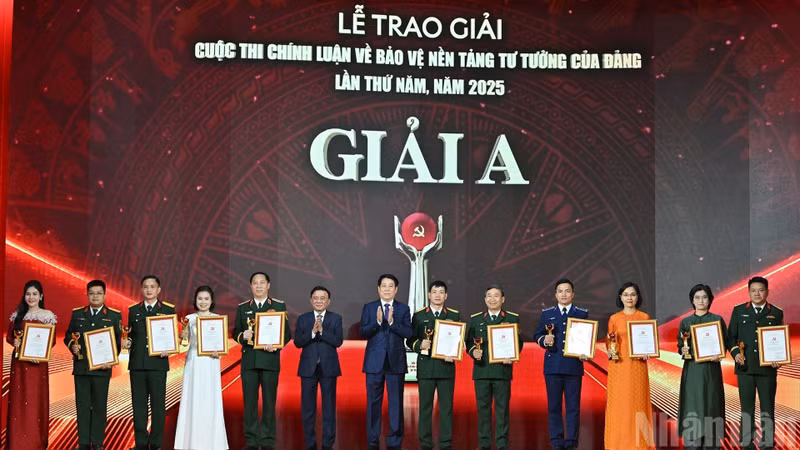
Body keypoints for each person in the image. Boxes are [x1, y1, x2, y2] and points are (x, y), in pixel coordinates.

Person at [233, 272, 291, 450]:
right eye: (255, 283)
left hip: (270, 361)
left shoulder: (279, 306)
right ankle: (251, 440)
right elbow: (235, 332)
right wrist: (244, 336)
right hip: (249, 362)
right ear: (250, 286)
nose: (258, 286)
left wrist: (276, 345)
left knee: (269, 403)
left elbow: (286, 334)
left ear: (268, 285)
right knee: (249, 403)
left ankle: (267, 440)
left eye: (262, 283)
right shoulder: (243, 308)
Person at [64, 280, 123, 450]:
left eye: (98, 293)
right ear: (87, 294)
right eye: (92, 293)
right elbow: (68, 336)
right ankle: (83, 442)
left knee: (99, 405)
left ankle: (97, 442)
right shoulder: (77, 314)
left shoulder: (113, 315)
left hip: (102, 368)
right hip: (81, 367)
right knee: (82, 405)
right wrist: (72, 346)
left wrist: (110, 359)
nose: (95, 296)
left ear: (104, 295)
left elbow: (118, 342)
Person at [727, 276, 784, 450]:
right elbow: (731, 338)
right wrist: (736, 353)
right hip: (745, 367)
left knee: (767, 406)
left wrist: (779, 358)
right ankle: (746, 442)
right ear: (748, 292)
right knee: (746, 407)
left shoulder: (776, 311)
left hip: (767, 369)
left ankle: (767, 442)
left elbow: (779, 340)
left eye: (760, 290)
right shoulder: (738, 311)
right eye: (753, 290)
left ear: (767, 291)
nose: (757, 293)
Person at [533, 279, 589, 450]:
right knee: (554, 406)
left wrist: (585, 350)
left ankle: (571, 441)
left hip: (573, 366)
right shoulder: (547, 313)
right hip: (553, 367)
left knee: (573, 407)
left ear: (573, 294)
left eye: (567, 291)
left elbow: (587, 337)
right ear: (555, 294)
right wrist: (544, 340)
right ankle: (556, 442)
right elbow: (537, 335)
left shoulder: (581, 314)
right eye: (560, 291)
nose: (564, 294)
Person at [359, 273, 412, 450]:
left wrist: (392, 322)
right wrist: (378, 322)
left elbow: (408, 333)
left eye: (391, 286)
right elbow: (363, 332)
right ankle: (373, 440)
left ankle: (395, 441)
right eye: (384, 286)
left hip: (395, 362)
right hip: (374, 363)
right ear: (378, 288)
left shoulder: (403, 309)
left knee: (396, 403)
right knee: (373, 403)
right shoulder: (369, 307)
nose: (387, 289)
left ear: (396, 289)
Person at [466, 285, 522, 450]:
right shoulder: (476, 319)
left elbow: (518, 343)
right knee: (483, 410)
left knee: (502, 410)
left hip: (502, 371)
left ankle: (502, 444)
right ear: (485, 299)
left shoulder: (512, 319)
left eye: (496, 296)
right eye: (489, 296)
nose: (492, 299)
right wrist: (472, 352)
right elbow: (469, 341)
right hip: (482, 371)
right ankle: (484, 444)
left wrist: (511, 356)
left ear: (503, 299)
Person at [407, 280, 461, 450]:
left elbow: (459, 340)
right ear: (429, 294)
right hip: (426, 368)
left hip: (446, 368)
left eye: (441, 292)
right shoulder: (419, 315)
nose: (438, 295)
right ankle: (425, 442)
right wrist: (419, 345)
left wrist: (455, 352)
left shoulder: (453, 315)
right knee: (425, 408)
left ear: (446, 296)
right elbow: (410, 339)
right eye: (434, 292)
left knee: (446, 408)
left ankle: (445, 443)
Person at [174, 286, 229, 449]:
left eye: (206, 299)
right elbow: (184, 345)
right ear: (195, 300)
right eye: (200, 298)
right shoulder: (188, 319)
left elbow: (221, 344)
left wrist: (218, 351)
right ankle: (190, 442)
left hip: (211, 362)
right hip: (194, 362)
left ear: (211, 301)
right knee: (193, 398)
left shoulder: (218, 319)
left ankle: (213, 443)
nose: (203, 302)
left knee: (210, 399)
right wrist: (182, 337)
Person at [124, 275, 175, 450]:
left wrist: (170, 348)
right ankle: (140, 443)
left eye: (152, 287)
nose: (149, 290)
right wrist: (127, 342)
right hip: (137, 364)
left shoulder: (168, 310)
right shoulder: (134, 310)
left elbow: (172, 337)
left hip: (158, 364)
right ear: (141, 289)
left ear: (159, 289)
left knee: (158, 406)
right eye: (145, 286)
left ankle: (155, 443)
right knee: (138, 406)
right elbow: (130, 334)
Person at [5, 280, 57, 450]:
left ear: (41, 296)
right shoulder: (17, 315)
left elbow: (52, 340)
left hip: (38, 367)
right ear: (24, 296)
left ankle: (36, 444)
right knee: (19, 402)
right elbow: (10, 337)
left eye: (35, 294)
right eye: (28, 294)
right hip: (19, 366)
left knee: (36, 402)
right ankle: (17, 444)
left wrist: (39, 354)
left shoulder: (48, 315)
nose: (31, 297)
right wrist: (17, 344)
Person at [604, 281, 655, 450]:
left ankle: (640, 444)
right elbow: (610, 342)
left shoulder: (644, 317)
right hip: (619, 366)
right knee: (620, 405)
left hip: (638, 366)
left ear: (638, 297)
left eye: (632, 294)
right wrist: (611, 350)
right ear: (620, 297)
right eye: (625, 295)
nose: (629, 298)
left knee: (638, 403)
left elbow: (648, 341)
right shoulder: (614, 318)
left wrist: (648, 351)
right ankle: (618, 444)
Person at [677, 284, 727, 449]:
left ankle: (712, 444)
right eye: (697, 297)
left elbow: (724, 345)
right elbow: (681, 347)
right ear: (692, 300)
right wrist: (683, 349)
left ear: (710, 299)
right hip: (692, 372)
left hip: (711, 371)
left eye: (704, 297)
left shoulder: (717, 320)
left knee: (711, 404)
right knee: (693, 405)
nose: (701, 300)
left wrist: (718, 354)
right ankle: (692, 443)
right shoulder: (686, 322)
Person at [294, 286, 343, 450]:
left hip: (329, 368)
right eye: (316, 298)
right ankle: (310, 443)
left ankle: (328, 444)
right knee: (308, 410)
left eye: (323, 298)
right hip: (308, 369)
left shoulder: (336, 318)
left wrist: (322, 331)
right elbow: (298, 342)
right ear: (311, 300)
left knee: (329, 409)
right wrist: (313, 333)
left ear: (328, 301)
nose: (319, 301)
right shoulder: (303, 319)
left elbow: (338, 341)